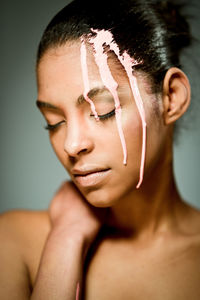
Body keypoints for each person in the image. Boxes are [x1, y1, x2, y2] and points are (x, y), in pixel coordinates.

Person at [0, 0, 200, 299]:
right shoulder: (13, 240)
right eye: (54, 122)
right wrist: (66, 240)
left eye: (102, 110)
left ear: (171, 97)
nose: (72, 144)